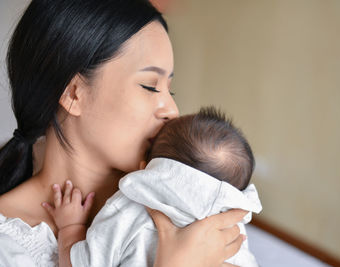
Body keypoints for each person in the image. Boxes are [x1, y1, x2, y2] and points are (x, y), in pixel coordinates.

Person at [0, 1, 247, 266]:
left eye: (170, 90)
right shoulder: (9, 247)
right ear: (73, 94)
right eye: (150, 87)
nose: (172, 111)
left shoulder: (186, 202)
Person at [43, 106, 263, 267]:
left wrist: (70, 228)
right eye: (149, 86)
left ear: (144, 168)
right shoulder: (231, 225)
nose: (170, 109)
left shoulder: (128, 210)